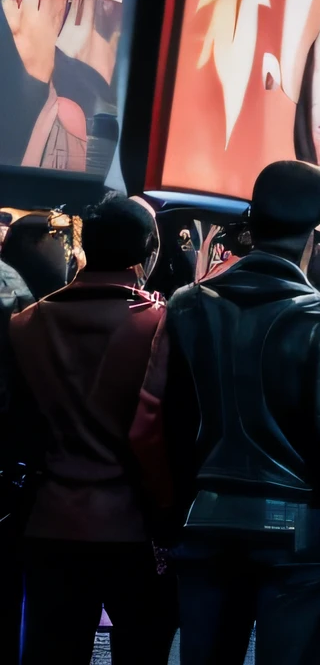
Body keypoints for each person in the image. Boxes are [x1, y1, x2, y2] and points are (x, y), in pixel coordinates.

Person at [141, 161, 320, 665]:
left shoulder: (186, 305)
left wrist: (168, 516)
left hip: (203, 518)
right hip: (300, 531)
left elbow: (167, 419)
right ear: (316, 227)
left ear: (251, 216)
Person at [0, 194, 173, 665]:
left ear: (84, 247)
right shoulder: (160, 325)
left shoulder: (24, 324)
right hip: (132, 529)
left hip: (48, 522)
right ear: (147, 252)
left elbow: (16, 428)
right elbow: (155, 432)